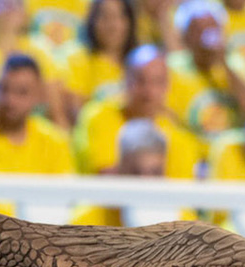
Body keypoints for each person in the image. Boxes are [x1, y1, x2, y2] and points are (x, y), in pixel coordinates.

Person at [73, 42, 203, 174]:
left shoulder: (180, 140)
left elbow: (180, 190)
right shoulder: (99, 116)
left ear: (167, 87)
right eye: (141, 80)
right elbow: (106, 179)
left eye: (157, 82)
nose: (149, 92)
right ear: (125, 80)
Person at [164, 0, 245, 140]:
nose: (205, 35)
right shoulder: (172, 69)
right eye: (197, 30)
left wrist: (224, 63)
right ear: (185, 37)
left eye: (212, 27)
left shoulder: (239, 65)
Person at [0, 54, 76, 171]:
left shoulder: (54, 143)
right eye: (4, 89)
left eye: (21, 92)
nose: (10, 100)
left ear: (39, 95)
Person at [62, 0, 134, 109]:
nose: (112, 25)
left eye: (119, 17)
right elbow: (76, 111)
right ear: (92, 22)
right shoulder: (79, 61)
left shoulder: (139, 64)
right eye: (105, 17)